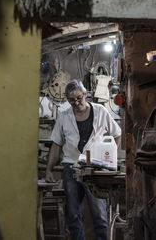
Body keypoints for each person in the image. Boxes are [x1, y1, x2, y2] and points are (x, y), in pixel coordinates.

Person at [45, 79, 121, 240]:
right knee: (73, 214)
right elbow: (57, 144)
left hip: (95, 169)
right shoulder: (64, 117)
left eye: (79, 97)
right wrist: (49, 170)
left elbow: (117, 133)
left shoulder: (100, 111)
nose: (76, 102)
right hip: (71, 168)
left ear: (85, 94)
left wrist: (110, 157)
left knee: (99, 215)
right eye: (72, 100)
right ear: (67, 100)